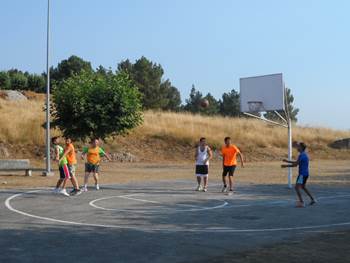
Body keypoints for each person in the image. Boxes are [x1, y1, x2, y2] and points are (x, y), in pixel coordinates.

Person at [281, 142, 316, 208]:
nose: (297, 148)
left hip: (302, 174)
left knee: (297, 188)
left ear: (301, 148)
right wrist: (287, 161)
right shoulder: (304, 154)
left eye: (298, 147)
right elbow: (297, 163)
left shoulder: (302, 155)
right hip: (306, 174)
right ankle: (313, 199)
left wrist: (285, 165)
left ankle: (302, 202)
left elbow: (295, 165)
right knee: (303, 187)